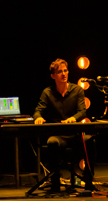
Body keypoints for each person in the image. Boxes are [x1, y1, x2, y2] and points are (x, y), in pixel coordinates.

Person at [33, 58, 93, 192]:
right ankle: (55, 183)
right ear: (53, 76)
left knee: (89, 141)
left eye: (65, 70)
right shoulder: (47, 92)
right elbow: (38, 110)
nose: (64, 74)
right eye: (60, 72)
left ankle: (89, 181)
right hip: (59, 135)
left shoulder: (77, 90)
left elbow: (82, 111)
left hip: (75, 134)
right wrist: (38, 118)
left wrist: (73, 118)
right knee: (52, 142)